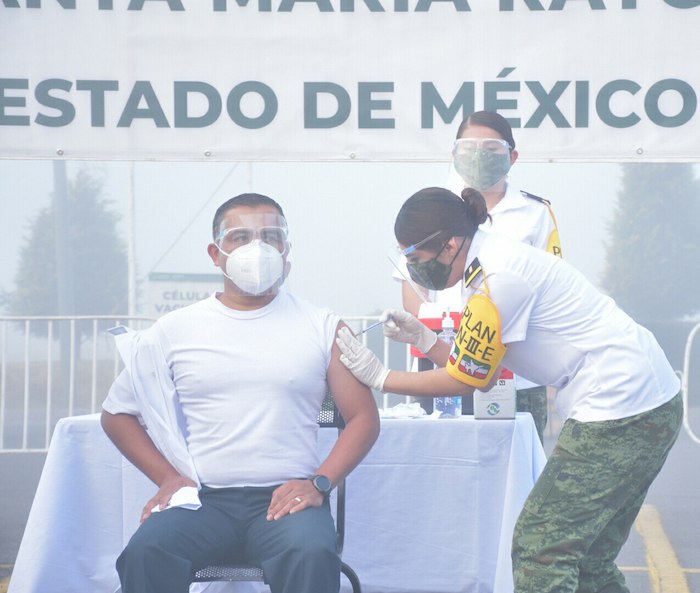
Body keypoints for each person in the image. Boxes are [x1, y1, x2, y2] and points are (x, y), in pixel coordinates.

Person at [336, 187, 682, 593]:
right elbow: (478, 360)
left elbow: (467, 379)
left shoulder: (496, 280)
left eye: (413, 257)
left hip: (622, 407)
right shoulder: (484, 266)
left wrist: (380, 377)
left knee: (542, 548)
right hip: (643, 400)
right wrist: (427, 340)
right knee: (587, 561)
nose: (411, 268)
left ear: (448, 245)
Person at [101, 193, 380, 593]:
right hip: (202, 501)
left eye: (271, 236)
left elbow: (363, 418)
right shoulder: (174, 330)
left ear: (286, 251)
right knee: (147, 552)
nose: (257, 247)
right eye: (240, 237)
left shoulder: (324, 326)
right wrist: (166, 478)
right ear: (216, 254)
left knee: (312, 554)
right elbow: (117, 414)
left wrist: (320, 483)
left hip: (287, 502)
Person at [400, 110, 562, 439]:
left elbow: (549, 287)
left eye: (490, 149)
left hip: (516, 373)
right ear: (454, 154)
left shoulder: (535, 213)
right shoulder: (432, 207)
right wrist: (430, 333)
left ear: (512, 156)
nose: (478, 156)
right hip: (440, 358)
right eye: (469, 147)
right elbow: (412, 284)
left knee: (515, 473)